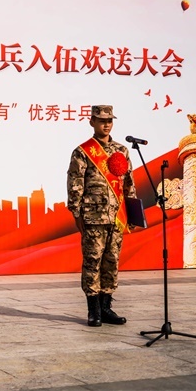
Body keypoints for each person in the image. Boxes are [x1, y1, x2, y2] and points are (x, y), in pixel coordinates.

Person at [66, 105, 137, 327]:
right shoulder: (82, 151)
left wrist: (133, 212)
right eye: (101, 120)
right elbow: (75, 182)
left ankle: (106, 307)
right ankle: (93, 310)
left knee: (112, 261)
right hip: (93, 216)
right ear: (92, 122)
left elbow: (128, 184)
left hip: (117, 216)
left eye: (109, 121)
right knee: (92, 261)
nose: (106, 124)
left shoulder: (121, 151)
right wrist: (76, 211)